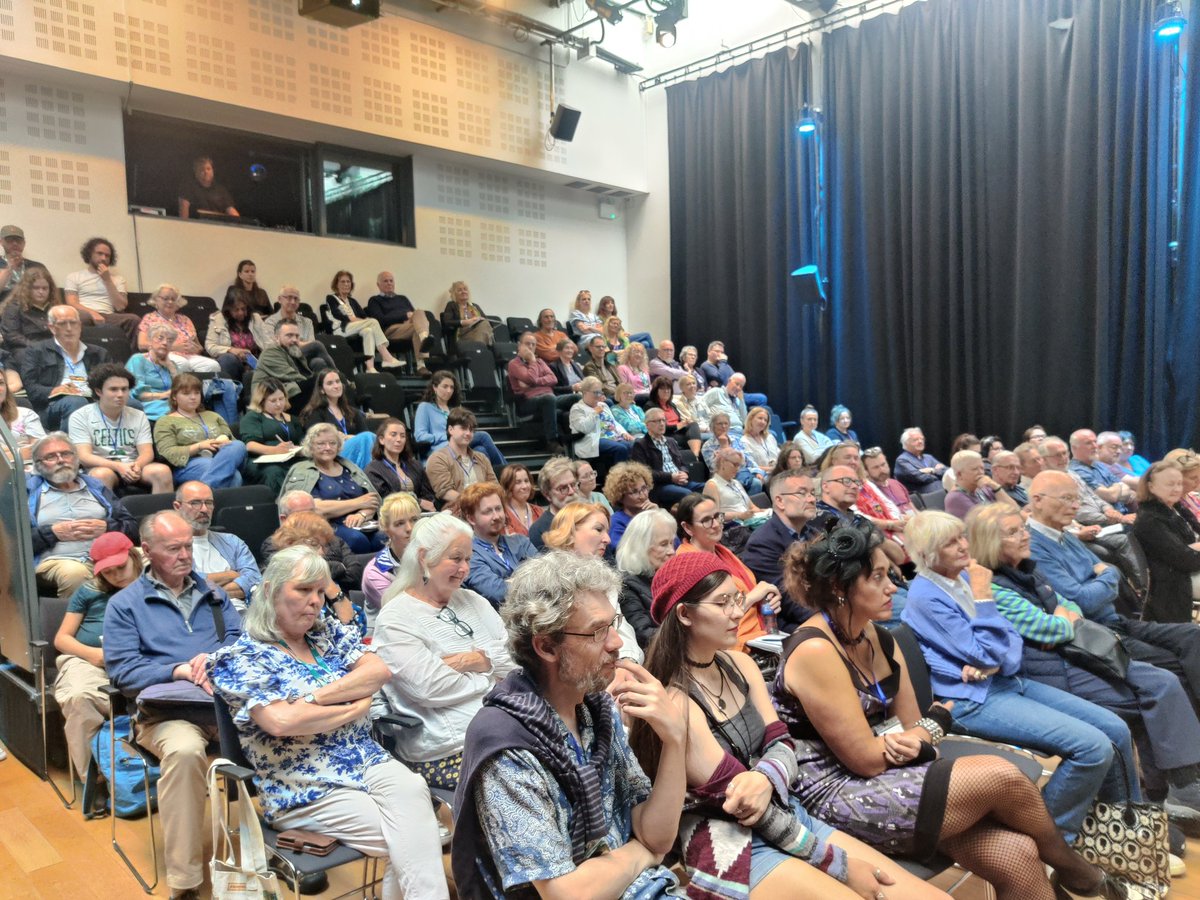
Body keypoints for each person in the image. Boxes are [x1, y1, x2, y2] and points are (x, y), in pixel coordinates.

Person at [773, 521, 1117, 900]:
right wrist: (929, 728)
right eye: (878, 578)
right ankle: (1075, 869)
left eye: (891, 575)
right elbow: (868, 758)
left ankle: (1067, 870)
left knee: (1018, 855)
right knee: (1002, 775)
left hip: (892, 771)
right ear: (840, 589)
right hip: (833, 792)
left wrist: (923, 732)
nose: (893, 587)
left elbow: (913, 723)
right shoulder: (815, 650)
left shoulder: (878, 634)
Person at [629, 552, 945, 900]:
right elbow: (747, 806)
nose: (738, 612)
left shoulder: (739, 664)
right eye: (722, 603)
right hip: (729, 842)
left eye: (737, 598)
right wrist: (839, 865)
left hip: (785, 811)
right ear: (685, 614)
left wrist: (764, 777)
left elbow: (785, 744)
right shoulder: (676, 701)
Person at [208, 546, 449, 900]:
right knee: (419, 837)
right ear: (272, 590)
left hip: (364, 758)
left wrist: (315, 700)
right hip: (303, 783)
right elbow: (281, 721)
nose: (315, 602)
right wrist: (352, 707)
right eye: (303, 590)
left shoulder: (326, 634)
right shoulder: (242, 657)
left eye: (320, 592)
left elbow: (378, 671)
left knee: (414, 790)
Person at [452, 551, 687, 900]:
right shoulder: (505, 744)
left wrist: (675, 741)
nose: (616, 642)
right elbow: (566, 894)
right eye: (596, 632)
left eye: (614, 624)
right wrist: (642, 854)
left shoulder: (595, 710)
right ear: (546, 646)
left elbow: (658, 838)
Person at [899, 510, 1137, 843]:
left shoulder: (966, 577)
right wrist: (985, 606)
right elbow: (985, 653)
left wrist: (995, 661)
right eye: (950, 542)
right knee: (1093, 748)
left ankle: (1126, 830)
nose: (962, 545)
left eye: (961, 536)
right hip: (972, 699)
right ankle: (1051, 844)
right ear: (926, 555)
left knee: (1115, 728)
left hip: (1006, 681)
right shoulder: (926, 596)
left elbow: (1012, 643)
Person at [972, 502, 1200, 823]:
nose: (1025, 536)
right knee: (1152, 691)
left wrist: (1064, 618)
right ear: (990, 542)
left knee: (1164, 677)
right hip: (1053, 670)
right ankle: (1165, 792)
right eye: (1014, 532)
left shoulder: (1028, 569)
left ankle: (1164, 792)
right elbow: (1052, 626)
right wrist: (1064, 618)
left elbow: (1073, 609)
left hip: (1079, 653)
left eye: (1023, 528)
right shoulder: (995, 587)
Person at [103, 510, 242, 900]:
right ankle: (185, 883)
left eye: (188, 546)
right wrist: (177, 669)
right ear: (147, 551)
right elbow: (123, 674)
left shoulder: (214, 596)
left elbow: (240, 645)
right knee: (185, 752)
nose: (185, 555)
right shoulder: (125, 605)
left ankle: (288, 845)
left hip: (222, 706)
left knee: (286, 727)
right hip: (166, 714)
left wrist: (215, 661)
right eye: (173, 548)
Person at [1026, 469, 1200, 720]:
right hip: (1092, 633)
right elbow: (1084, 599)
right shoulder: (1034, 545)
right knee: (1173, 663)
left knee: (1193, 635)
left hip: (1116, 621)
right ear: (1037, 500)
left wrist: (1104, 576)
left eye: (1076, 499)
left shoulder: (1065, 535)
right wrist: (1107, 575)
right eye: (1066, 499)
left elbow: (1103, 577)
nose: (1075, 506)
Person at [374, 513, 517, 795]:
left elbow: (514, 661)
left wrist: (474, 662)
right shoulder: (395, 618)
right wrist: (491, 677)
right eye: (456, 558)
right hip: (451, 749)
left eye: (468, 558)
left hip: (506, 732)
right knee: (532, 780)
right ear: (426, 557)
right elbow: (429, 688)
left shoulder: (474, 601)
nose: (465, 568)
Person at [52, 532, 141, 780]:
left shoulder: (153, 586)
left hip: (138, 660)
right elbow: (62, 639)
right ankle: (95, 780)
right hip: (88, 659)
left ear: (134, 556)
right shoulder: (89, 591)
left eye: (121, 567)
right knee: (79, 697)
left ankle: (144, 775)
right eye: (108, 572)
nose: (116, 576)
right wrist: (93, 654)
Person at [27, 432, 138, 598]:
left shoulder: (96, 487)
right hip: (58, 560)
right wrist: (52, 533)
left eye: (66, 453)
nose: (61, 460)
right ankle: (79, 622)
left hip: (108, 554)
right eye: (51, 456)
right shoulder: (26, 492)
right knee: (75, 573)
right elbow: (13, 543)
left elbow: (132, 527)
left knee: (151, 557)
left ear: (75, 458)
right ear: (38, 464)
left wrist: (107, 528)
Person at [674, 494, 777, 652]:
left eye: (717, 516)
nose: (716, 524)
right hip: (730, 648)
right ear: (687, 527)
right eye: (706, 520)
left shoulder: (722, 551)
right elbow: (711, 616)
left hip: (760, 636)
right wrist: (754, 596)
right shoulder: (687, 563)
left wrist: (766, 600)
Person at [68, 363, 173, 494]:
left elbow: (147, 452)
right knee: (101, 475)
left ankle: (163, 514)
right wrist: (118, 466)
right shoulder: (80, 416)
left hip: (133, 466)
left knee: (162, 471)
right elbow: (84, 456)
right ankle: (106, 515)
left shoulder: (138, 415)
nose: (120, 394)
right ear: (98, 391)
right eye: (114, 389)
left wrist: (137, 466)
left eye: (125, 389)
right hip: (102, 466)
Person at [280, 423, 384, 553]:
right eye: (321, 444)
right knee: (356, 540)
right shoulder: (301, 471)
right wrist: (358, 502)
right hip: (324, 526)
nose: (327, 447)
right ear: (311, 447)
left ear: (339, 446)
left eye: (332, 443)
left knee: (383, 538)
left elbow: (372, 500)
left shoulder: (349, 467)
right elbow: (314, 508)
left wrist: (361, 514)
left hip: (362, 523)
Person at [742, 468, 820, 629]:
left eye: (813, 493)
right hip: (794, 626)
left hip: (824, 610)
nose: (812, 499)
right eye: (802, 493)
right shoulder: (762, 543)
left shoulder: (814, 534)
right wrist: (836, 620)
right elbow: (790, 602)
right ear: (780, 501)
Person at [268, 512, 366, 637]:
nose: (322, 552)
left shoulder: (323, 582)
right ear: (289, 543)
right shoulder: (272, 586)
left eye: (325, 546)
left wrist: (330, 587)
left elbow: (358, 628)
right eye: (315, 544)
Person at [20, 304, 110, 430]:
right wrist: (55, 390)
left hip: (94, 400)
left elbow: (110, 383)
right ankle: (73, 448)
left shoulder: (99, 353)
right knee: (76, 402)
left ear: (79, 326)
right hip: (53, 405)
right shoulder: (36, 351)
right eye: (62, 324)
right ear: (52, 328)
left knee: (131, 403)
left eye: (73, 323)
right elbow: (30, 388)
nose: (69, 328)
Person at [1131, 461, 1200, 624]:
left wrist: (1193, 548)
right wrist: (1194, 548)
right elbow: (1186, 561)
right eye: (1170, 484)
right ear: (1151, 486)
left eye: (1179, 483)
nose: (1177, 489)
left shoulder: (1175, 508)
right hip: (1175, 582)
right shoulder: (1149, 520)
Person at [173, 480, 261, 608]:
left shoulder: (232, 542)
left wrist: (206, 589)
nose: (204, 509)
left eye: (208, 503)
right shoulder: (170, 547)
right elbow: (185, 585)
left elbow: (254, 580)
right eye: (195, 503)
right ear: (177, 507)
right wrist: (232, 575)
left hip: (243, 614)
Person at [153, 373, 246, 488]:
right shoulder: (165, 421)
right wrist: (200, 446)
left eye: (197, 393)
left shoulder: (213, 416)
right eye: (186, 393)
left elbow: (232, 443)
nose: (193, 397)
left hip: (221, 457)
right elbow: (167, 453)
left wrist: (225, 440)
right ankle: (207, 497)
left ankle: (204, 491)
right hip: (188, 464)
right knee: (234, 477)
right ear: (174, 396)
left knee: (238, 445)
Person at [265, 492, 364, 595]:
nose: (309, 518)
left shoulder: (333, 539)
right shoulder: (274, 544)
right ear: (284, 519)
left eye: (312, 512)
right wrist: (340, 567)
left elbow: (355, 576)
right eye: (302, 514)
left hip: (342, 598)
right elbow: (300, 577)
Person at [460, 482, 537, 608]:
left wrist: (509, 582)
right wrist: (529, 580)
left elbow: (546, 577)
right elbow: (499, 593)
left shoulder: (521, 542)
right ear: (471, 519)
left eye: (498, 508)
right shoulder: (468, 553)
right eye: (487, 512)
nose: (496, 516)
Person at [414, 370, 506, 467]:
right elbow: (420, 436)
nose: (449, 390)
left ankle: (493, 478)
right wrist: (448, 435)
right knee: (483, 436)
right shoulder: (425, 407)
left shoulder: (455, 409)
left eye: (451, 387)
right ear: (435, 387)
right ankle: (507, 472)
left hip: (461, 443)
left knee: (480, 450)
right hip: (440, 447)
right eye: (445, 386)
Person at [615, 508, 677, 648]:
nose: (672, 551)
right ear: (641, 547)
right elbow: (643, 634)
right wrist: (689, 637)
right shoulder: (626, 585)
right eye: (663, 544)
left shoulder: (670, 577)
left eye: (672, 543)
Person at [321, 270, 404, 373]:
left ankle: (370, 367)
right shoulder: (331, 298)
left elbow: (364, 317)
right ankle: (386, 356)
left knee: (368, 330)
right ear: (336, 284)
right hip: (340, 329)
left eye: (348, 282)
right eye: (343, 282)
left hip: (354, 328)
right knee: (372, 322)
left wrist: (362, 321)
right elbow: (341, 317)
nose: (346, 284)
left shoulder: (352, 301)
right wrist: (360, 320)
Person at [63, 237, 140, 341]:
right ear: (90, 254)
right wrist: (92, 313)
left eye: (107, 255)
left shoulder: (118, 279)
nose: (103, 258)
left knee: (133, 319)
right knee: (81, 317)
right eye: (99, 253)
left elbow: (120, 307)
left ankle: (130, 356)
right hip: (85, 313)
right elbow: (71, 303)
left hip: (109, 316)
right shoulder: (74, 276)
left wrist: (107, 280)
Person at [135, 284, 221, 375]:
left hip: (190, 356)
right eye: (166, 298)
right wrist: (173, 347)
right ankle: (177, 389)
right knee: (180, 363)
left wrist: (197, 349)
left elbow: (199, 346)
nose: (170, 302)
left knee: (213, 365)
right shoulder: (149, 318)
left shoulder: (185, 319)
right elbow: (141, 344)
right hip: (163, 355)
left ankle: (198, 389)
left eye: (173, 299)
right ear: (156, 300)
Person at [299, 368, 375, 469]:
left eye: (338, 382)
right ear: (322, 390)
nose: (336, 386)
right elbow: (316, 439)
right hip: (331, 453)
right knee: (366, 438)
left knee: (372, 439)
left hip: (357, 452)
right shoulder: (315, 413)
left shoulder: (352, 411)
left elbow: (366, 434)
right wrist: (350, 438)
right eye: (330, 383)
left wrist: (348, 437)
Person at [506, 330, 569, 453]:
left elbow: (553, 379)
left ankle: (575, 437)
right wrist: (532, 361)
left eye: (533, 344)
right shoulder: (514, 363)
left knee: (575, 398)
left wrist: (534, 382)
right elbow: (531, 378)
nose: (530, 347)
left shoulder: (541, 362)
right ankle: (551, 441)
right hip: (528, 402)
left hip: (549, 398)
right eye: (527, 343)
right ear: (519, 345)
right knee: (549, 399)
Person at [239, 377, 303, 493]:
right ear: (262, 401)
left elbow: (302, 441)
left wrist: (300, 450)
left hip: (290, 458)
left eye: (281, 399)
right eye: (273, 401)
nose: (279, 404)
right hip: (262, 461)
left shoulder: (292, 419)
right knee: (274, 472)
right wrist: (274, 450)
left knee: (308, 465)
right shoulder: (253, 417)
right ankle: (278, 506)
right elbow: (250, 445)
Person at [630, 407, 704, 508]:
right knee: (687, 494)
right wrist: (671, 477)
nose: (661, 424)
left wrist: (684, 473)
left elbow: (682, 464)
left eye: (663, 420)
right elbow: (644, 473)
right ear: (647, 425)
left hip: (681, 482)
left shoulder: (671, 441)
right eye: (657, 421)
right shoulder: (641, 444)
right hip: (660, 486)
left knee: (707, 487)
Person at [425, 407, 498, 507]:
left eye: (471, 430)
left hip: (485, 510)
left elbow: (494, 487)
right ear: (450, 429)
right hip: (455, 512)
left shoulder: (481, 458)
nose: (468, 433)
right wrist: (477, 504)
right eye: (463, 428)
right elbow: (446, 492)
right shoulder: (438, 458)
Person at [366, 270, 434, 376]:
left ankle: (423, 343)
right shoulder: (374, 300)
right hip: (389, 331)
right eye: (385, 281)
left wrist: (409, 318)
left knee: (419, 313)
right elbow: (379, 320)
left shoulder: (402, 298)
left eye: (391, 281)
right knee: (419, 328)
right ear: (378, 285)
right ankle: (423, 351)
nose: (389, 283)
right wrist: (403, 316)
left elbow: (414, 316)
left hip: (407, 327)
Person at [361, 491, 420, 612]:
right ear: (386, 530)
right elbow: (405, 613)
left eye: (414, 520)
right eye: (400, 523)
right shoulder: (375, 571)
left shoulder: (431, 555)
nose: (409, 528)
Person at [255, 284, 334, 371]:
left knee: (318, 362)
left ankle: (329, 382)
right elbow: (271, 347)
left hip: (303, 358)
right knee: (317, 345)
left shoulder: (307, 322)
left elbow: (310, 344)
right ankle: (340, 378)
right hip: (281, 359)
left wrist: (290, 342)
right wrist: (299, 343)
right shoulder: (270, 322)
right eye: (289, 298)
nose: (293, 302)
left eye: (296, 299)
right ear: (280, 299)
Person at [366, 417, 436, 511]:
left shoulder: (415, 465)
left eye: (402, 436)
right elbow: (386, 500)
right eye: (393, 435)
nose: (399, 439)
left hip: (421, 514)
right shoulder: (373, 469)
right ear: (381, 440)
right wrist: (418, 502)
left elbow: (428, 495)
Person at [253, 319, 317, 408]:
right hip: (267, 398)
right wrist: (320, 382)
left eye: (297, 336)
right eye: (289, 335)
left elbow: (306, 375)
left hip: (285, 393)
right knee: (319, 382)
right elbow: (294, 377)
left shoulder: (293, 351)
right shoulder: (270, 353)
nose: (294, 339)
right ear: (276, 337)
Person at [570, 376, 634, 465]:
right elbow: (583, 428)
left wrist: (624, 433)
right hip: (594, 440)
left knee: (633, 445)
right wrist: (595, 413)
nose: (599, 395)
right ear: (585, 392)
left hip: (613, 436)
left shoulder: (603, 405)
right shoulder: (577, 408)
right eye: (595, 392)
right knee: (621, 448)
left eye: (600, 392)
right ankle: (618, 477)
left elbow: (614, 422)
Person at [944, 450, 1018, 519]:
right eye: (975, 469)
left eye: (982, 468)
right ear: (959, 474)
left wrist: (995, 487)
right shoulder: (955, 498)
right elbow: (986, 524)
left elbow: (1015, 510)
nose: (981, 472)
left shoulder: (983, 488)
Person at [702, 412, 765, 493]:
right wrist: (724, 446)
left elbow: (749, 458)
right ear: (712, 427)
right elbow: (716, 468)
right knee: (756, 483)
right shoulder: (707, 446)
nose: (723, 426)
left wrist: (757, 472)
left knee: (766, 479)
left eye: (726, 423)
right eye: (720, 424)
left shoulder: (737, 439)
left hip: (746, 472)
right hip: (726, 477)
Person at [204, 291, 261, 381]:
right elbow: (210, 346)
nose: (241, 313)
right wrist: (232, 350)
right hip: (234, 361)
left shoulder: (255, 318)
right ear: (228, 310)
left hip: (255, 360)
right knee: (227, 359)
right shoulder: (218, 319)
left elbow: (267, 342)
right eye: (236, 310)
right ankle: (233, 390)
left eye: (243, 309)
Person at [527, 456, 581, 549]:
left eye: (573, 484)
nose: (571, 491)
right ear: (547, 495)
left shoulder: (592, 517)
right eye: (563, 488)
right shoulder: (539, 530)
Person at [0, 262, 54, 353]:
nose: (41, 292)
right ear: (27, 288)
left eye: (45, 288)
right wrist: (37, 347)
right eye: (36, 288)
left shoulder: (55, 308)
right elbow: (12, 335)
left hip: (51, 349)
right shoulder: (14, 307)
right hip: (24, 349)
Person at [603, 462, 658, 551]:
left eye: (644, 488)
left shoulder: (654, 513)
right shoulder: (616, 522)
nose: (643, 495)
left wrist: (659, 518)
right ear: (620, 497)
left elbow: (674, 545)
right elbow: (624, 552)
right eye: (634, 492)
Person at [647, 375, 702, 456]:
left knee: (693, 424)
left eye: (668, 389)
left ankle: (695, 455)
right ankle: (695, 457)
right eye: (663, 389)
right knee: (697, 442)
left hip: (678, 431)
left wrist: (684, 423)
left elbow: (679, 421)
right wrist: (678, 426)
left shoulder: (671, 404)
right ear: (656, 391)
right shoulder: (651, 406)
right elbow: (658, 426)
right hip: (665, 434)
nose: (666, 391)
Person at [0, 370, 44, 467]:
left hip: (30, 471)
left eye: (1, 383)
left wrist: (5, 452)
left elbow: (41, 449)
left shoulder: (26, 414)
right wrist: (21, 450)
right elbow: (28, 451)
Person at [894, 427, 948, 496]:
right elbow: (919, 478)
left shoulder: (928, 457)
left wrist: (932, 470)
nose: (920, 441)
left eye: (922, 439)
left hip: (942, 491)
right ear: (906, 443)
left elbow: (947, 471)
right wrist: (938, 473)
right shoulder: (902, 460)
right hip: (923, 498)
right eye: (915, 440)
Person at [0, 224, 44, 307]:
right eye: (10, 240)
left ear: (24, 243)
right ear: (1, 242)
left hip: (31, 309)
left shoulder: (37, 266)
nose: (15, 243)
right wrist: (10, 268)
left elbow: (48, 293)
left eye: (18, 240)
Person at [442, 280, 494, 347]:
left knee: (484, 324)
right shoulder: (451, 305)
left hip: (479, 331)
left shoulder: (475, 306)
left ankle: (478, 347)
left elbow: (487, 322)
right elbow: (447, 322)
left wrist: (479, 319)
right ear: (454, 294)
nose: (463, 292)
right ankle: (479, 349)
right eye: (459, 290)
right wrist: (465, 322)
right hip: (462, 335)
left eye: (465, 289)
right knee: (484, 327)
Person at [499, 463, 543, 537]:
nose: (524, 486)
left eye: (526, 481)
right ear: (508, 486)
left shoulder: (539, 512)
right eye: (518, 482)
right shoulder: (502, 514)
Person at [580, 332, 621, 399]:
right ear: (590, 348)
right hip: (606, 396)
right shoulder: (589, 367)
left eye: (603, 346)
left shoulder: (610, 365)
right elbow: (599, 387)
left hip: (618, 395)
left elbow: (620, 382)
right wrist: (618, 395)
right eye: (598, 347)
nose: (601, 349)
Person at [742, 406, 780, 471]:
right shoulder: (744, 441)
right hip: (761, 475)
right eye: (760, 418)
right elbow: (749, 466)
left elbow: (780, 456)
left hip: (777, 472)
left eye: (765, 420)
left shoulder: (770, 437)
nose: (763, 422)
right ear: (751, 419)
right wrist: (771, 469)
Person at [674, 374, 711, 440]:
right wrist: (707, 429)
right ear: (682, 388)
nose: (692, 386)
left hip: (709, 429)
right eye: (688, 384)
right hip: (697, 432)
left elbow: (709, 416)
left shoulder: (701, 399)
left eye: (694, 383)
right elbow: (689, 423)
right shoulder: (679, 403)